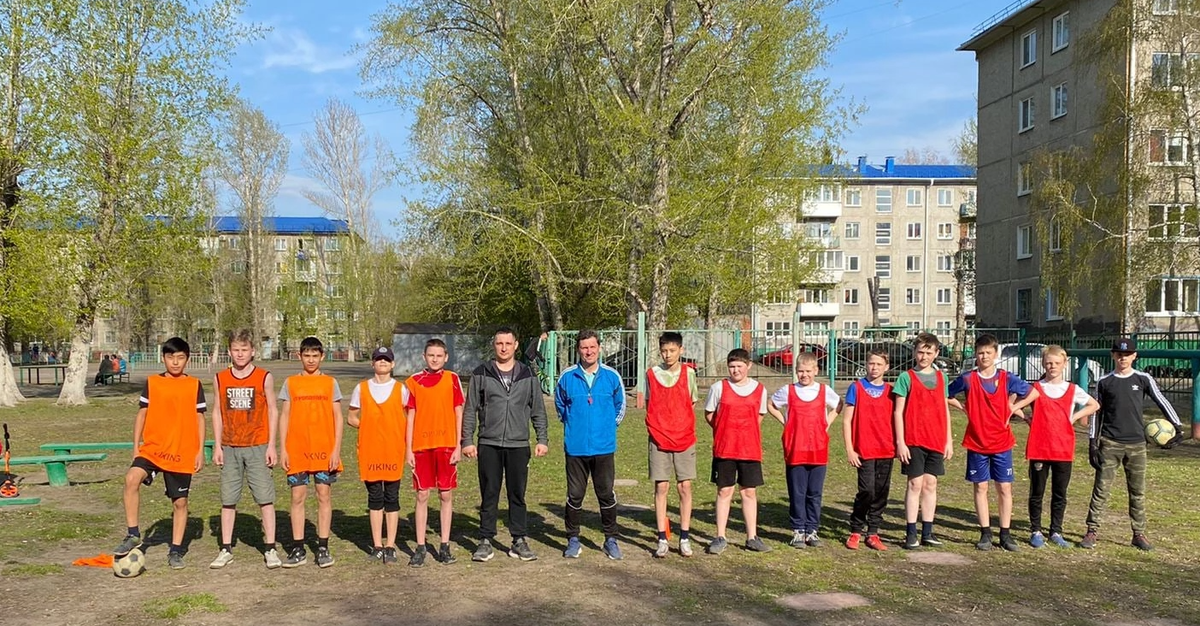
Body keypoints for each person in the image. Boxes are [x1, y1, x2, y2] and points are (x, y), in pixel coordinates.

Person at [1082, 337, 1184, 551]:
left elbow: (1161, 400)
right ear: (1113, 355)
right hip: (1110, 443)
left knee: (1137, 491)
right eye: (1119, 354)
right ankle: (1092, 531)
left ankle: (1138, 534)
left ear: (1134, 356)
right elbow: (1096, 413)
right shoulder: (1104, 381)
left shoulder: (1143, 378)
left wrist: (1178, 427)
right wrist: (1093, 443)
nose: (1123, 358)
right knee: (1101, 488)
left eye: (1127, 355)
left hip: (1137, 445)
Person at [113, 337, 206, 569]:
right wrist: (136, 445)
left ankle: (175, 551)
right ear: (163, 358)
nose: (175, 362)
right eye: (170, 357)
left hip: (182, 450)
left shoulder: (194, 385)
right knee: (131, 479)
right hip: (153, 449)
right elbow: (142, 413)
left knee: (180, 503)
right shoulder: (153, 382)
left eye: (180, 358)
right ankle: (133, 534)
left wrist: (200, 451)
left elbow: (199, 418)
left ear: (187, 359)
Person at [462, 328, 549, 563]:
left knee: (517, 493)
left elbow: (538, 410)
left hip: (518, 444)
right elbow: (470, 409)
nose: (503, 348)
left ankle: (518, 539)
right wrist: (467, 441)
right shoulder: (481, 373)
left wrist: (542, 439)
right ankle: (485, 540)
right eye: (499, 343)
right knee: (489, 493)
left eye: (508, 343)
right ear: (494, 345)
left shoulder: (528, 374)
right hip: (489, 443)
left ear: (516, 345)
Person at [947, 333, 1039, 552]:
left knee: (1004, 487)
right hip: (977, 442)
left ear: (996, 354)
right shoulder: (968, 379)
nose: (984, 356)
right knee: (981, 486)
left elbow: (1034, 393)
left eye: (988, 352)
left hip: (1001, 442)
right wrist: (963, 407)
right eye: (980, 353)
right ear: (976, 355)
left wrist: (1014, 407)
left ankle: (1005, 534)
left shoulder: (1007, 378)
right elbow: (945, 394)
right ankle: (985, 532)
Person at [210, 330, 281, 569]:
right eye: (236, 350)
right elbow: (217, 412)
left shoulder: (264, 377)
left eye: (244, 350)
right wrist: (217, 445)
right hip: (230, 446)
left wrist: (271, 445)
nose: (240, 354)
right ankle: (226, 548)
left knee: (265, 499)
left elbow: (273, 410)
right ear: (229, 351)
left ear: (252, 351)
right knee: (228, 499)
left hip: (257, 445)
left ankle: (270, 548)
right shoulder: (220, 378)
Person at [555, 329, 626, 560]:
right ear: (578, 349)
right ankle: (573, 539)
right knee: (575, 494)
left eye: (592, 347)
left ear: (599, 348)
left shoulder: (612, 376)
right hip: (576, 448)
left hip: (604, 447)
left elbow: (620, 407)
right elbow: (560, 407)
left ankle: (610, 539)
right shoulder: (567, 377)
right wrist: (574, 426)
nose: (589, 351)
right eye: (584, 347)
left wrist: (606, 428)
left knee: (605, 494)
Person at [279, 336, 343, 568]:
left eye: (315, 356)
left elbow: (338, 417)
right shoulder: (291, 383)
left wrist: (336, 450)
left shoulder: (330, 383)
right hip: (297, 450)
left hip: (324, 451)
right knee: (297, 497)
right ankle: (298, 548)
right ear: (299, 356)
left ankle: (323, 547)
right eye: (306, 356)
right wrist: (283, 449)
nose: (311, 360)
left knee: (323, 495)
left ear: (322, 356)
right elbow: (285, 416)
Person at [1025, 345, 1099, 549]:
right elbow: (1014, 403)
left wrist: (1074, 417)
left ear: (1065, 364)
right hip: (1040, 448)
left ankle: (1056, 531)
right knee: (1037, 491)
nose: (1052, 366)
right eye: (1049, 363)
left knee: (1060, 492)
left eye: (1057, 363)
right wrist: (1027, 418)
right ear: (1043, 364)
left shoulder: (1072, 389)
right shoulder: (1035, 388)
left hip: (1063, 449)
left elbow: (1094, 405)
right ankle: (1035, 530)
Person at [768, 351, 840, 549]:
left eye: (808, 371)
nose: (804, 375)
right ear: (795, 371)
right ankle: (798, 530)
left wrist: (827, 422)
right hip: (796, 449)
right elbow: (771, 405)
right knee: (797, 492)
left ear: (816, 370)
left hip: (818, 449)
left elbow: (838, 405)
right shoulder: (788, 391)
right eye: (800, 371)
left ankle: (812, 530)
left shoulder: (824, 390)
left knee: (814, 493)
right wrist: (785, 421)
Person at [404, 338, 465, 567]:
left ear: (446, 357)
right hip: (421, 447)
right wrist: (409, 449)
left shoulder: (452, 379)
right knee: (422, 495)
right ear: (424, 357)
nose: (435, 359)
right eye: (431, 355)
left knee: (445, 494)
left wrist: (458, 445)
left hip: (446, 445)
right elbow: (410, 417)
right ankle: (420, 547)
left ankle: (444, 545)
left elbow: (458, 412)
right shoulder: (413, 382)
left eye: (439, 355)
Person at [703, 348, 770, 555]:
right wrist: (724, 430)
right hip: (725, 450)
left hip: (750, 450)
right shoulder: (718, 388)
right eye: (732, 366)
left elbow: (759, 415)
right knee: (724, 491)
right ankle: (720, 536)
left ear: (748, 366)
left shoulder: (759, 389)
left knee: (749, 492)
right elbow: (709, 414)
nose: (735, 370)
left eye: (739, 366)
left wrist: (745, 432)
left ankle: (752, 537)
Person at [347, 346, 408, 565]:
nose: (382, 362)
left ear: (393, 364)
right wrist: (368, 427)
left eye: (386, 359)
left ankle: (390, 545)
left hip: (393, 450)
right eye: (378, 359)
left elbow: (409, 417)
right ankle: (377, 545)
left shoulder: (401, 389)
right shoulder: (361, 388)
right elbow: (352, 417)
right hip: (370, 451)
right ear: (372, 363)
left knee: (392, 497)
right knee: (374, 498)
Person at [893, 332, 953, 550]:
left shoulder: (942, 378)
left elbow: (944, 409)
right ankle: (911, 532)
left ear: (936, 354)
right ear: (914, 352)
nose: (924, 356)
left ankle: (928, 531)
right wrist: (900, 442)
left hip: (935, 439)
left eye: (928, 353)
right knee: (914, 484)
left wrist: (948, 440)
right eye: (920, 352)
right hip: (914, 440)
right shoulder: (906, 377)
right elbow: (898, 412)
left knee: (930, 484)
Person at [644, 331, 699, 558]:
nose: (668, 355)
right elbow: (649, 402)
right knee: (662, 487)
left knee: (684, 486)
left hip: (684, 438)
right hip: (658, 438)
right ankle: (662, 537)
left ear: (681, 350)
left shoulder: (689, 373)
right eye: (664, 351)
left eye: (672, 350)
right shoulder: (651, 374)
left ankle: (684, 536)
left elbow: (691, 402)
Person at [841, 348, 896, 551]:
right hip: (864, 449)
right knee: (866, 490)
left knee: (881, 492)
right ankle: (856, 529)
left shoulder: (891, 391)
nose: (875, 367)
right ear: (866, 364)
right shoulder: (856, 387)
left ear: (886, 367)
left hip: (886, 449)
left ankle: (873, 532)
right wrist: (850, 449)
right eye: (871, 363)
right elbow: (846, 420)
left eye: (879, 364)